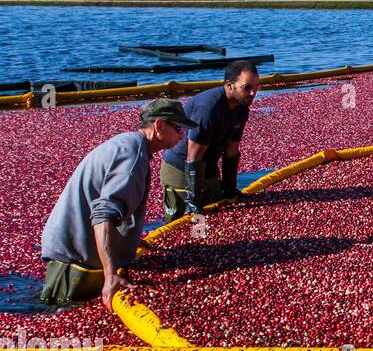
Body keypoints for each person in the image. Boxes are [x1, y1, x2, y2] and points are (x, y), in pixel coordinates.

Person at [39, 99, 195, 308]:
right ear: (159, 125)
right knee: (62, 307)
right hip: (73, 260)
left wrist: (128, 240)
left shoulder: (128, 144)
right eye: (177, 128)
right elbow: (103, 215)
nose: (181, 136)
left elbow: (105, 200)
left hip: (71, 248)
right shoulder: (132, 158)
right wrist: (110, 275)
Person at [160, 60, 260, 221]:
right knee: (184, 222)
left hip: (208, 166)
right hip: (180, 167)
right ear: (229, 85)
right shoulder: (208, 109)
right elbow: (193, 156)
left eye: (256, 87)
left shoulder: (242, 109)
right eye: (246, 87)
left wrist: (230, 189)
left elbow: (231, 151)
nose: (253, 93)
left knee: (216, 212)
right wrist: (193, 200)